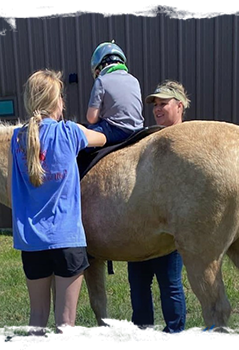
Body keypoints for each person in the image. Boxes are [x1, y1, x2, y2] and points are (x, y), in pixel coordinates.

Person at [8, 69, 106, 350]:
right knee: (66, 319)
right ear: (56, 102)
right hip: (67, 240)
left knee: (37, 316)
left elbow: (10, 186)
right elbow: (100, 139)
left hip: (32, 242)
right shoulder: (71, 132)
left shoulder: (16, 140)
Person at [128, 80, 191, 350]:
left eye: (163, 103)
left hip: (168, 229)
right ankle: (140, 337)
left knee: (170, 285)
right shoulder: (149, 137)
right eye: (154, 104)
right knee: (138, 286)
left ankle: (172, 339)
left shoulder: (190, 140)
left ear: (180, 106)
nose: (157, 109)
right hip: (140, 225)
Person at [86, 41, 144, 145]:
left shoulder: (101, 81)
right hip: (138, 130)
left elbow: (91, 118)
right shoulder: (134, 80)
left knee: (82, 139)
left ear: (98, 69)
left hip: (116, 130)